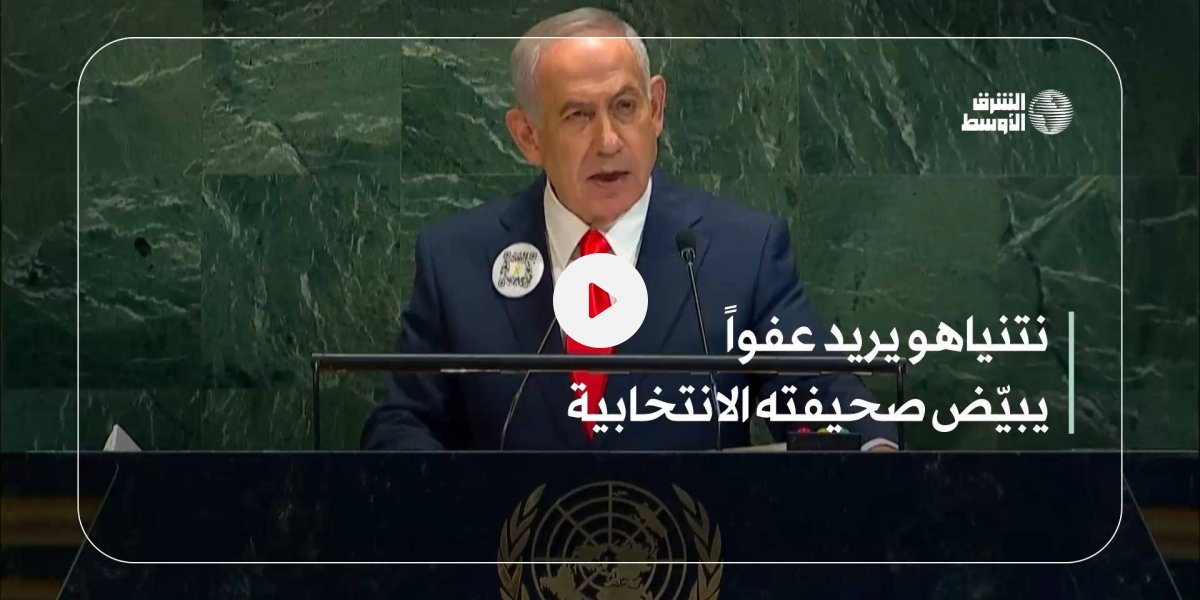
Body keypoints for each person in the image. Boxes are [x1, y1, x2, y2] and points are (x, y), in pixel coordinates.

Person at [362, 8, 898, 451]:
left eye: (624, 107)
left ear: (656, 109)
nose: (609, 142)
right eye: (577, 115)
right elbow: (403, 425)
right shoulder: (458, 260)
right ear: (528, 136)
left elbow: (823, 398)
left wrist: (869, 446)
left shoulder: (742, 253)